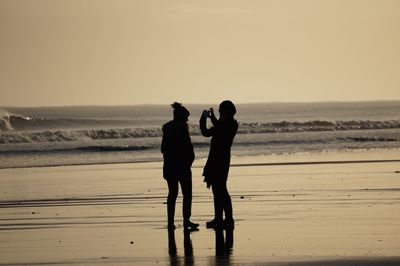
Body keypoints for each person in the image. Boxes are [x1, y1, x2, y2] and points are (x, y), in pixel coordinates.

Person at [200, 100, 238, 229]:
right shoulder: (222, 124)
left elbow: (221, 128)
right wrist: (203, 118)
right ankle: (219, 219)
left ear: (227, 111)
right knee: (217, 190)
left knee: (221, 189)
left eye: (221, 110)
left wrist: (212, 118)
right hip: (214, 159)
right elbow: (205, 133)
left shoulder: (231, 124)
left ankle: (228, 219)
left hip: (221, 160)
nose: (220, 112)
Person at [161, 102, 199, 230]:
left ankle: (170, 222)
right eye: (186, 117)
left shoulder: (167, 129)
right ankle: (186, 220)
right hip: (182, 167)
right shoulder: (182, 128)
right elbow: (188, 148)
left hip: (170, 167)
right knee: (187, 193)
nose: (188, 119)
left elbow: (163, 149)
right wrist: (189, 160)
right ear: (181, 117)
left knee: (172, 194)